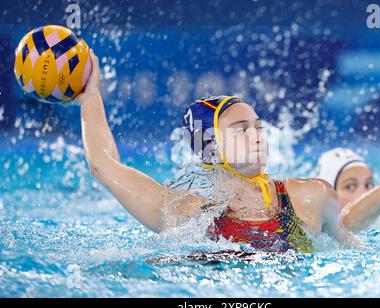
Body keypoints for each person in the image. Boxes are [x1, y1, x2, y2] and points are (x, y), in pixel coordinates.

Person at [76, 49, 359, 253]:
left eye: (258, 127)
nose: (258, 137)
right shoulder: (187, 213)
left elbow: (353, 250)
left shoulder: (311, 197)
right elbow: (104, 165)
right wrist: (90, 96)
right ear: (211, 145)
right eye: (241, 129)